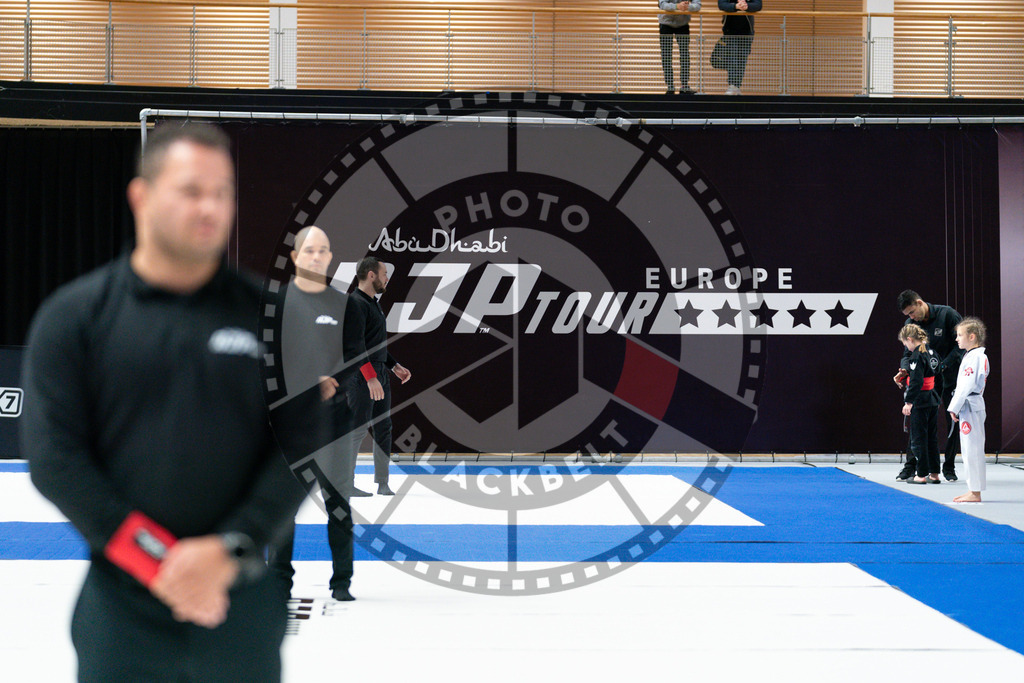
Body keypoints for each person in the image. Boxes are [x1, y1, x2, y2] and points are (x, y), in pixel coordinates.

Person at [20, 122, 305, 682]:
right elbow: (55, 460)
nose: (211, 208)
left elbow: (299, 446)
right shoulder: (75, 318)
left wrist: (228, 549)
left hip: (240, 605)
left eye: (222, 193)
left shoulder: (272, 322)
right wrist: (154, 558)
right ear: (141, 195)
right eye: (192, 190)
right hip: (122, 612)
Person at [269, 225, 361, 602]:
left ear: (330, 257)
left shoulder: (345, 304)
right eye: (309, 250)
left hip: (335, 422)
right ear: (295, 256)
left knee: (338, 503)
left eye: (323, 250)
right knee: (280, 510)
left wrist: (331, 379)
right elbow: (268, 358)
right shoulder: (276, 304)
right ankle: (278, 583)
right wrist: (308, 380)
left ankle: (342, 583)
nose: (317, 256)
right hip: (288, 424)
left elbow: (354, 356)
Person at [343, 256, 412, 497]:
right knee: (357, 430)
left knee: (384, 428)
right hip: (362, 376)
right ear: (371, 275)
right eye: (384, 274)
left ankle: (383, 482)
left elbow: (375, 344)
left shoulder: (373, 303)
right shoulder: (355, 304)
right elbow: (355, 346)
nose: (387, 279)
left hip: (379, 372)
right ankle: (345, 483)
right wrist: (371, 377)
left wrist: (394, 366)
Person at [893, 290, 963, 481]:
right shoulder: (910, 324)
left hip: (948, 379)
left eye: (911, 312)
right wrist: (904, 369)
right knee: (918, 425)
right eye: (907, 315)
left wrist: (943, 366)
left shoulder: (947, 314)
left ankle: (948, 467)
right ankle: (911, 467)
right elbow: (907, 355)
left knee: (951, 423)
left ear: (919, 302)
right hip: (923, 384)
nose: (910, 317)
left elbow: (960, 346)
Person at [948, 317, 990, 503]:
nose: (957, 339)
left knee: (972, 449)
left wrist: (953, 407)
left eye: (959, 335)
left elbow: (966, 384)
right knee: (969, 449)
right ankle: (974, 489)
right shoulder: (973, 355)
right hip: (970, 404)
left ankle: (975, 492)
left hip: (970, 405)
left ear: (972, 337)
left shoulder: (976, 357)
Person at [898, 324, 941, 484]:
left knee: (918, 437)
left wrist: (908, 402)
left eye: (905, 344)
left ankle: (921, 474)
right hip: (932, 399)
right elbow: (939, 374)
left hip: (920, 400)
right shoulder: (932, 352)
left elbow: (916, 381)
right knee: (932, 438)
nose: (906, 348)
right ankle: (935, 473)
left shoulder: (916, 356)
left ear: (909, 339)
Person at [717, 0, 761, 95]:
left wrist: (746, 6)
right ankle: (732, 85)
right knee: (732, 58)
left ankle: (737, 86)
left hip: (747, 31)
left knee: (742, 60)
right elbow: (721, 4)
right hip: (730, 30)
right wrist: (736, 6)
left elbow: (758, 5)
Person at [658, 0, 701, 95]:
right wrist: (677, 6)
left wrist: (687, 6)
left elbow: (698, 5)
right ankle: (670, 86)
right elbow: (662, 4)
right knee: (666, 55)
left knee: (685, 55)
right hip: (665, 23)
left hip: (683, 24)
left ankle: (684, 86)